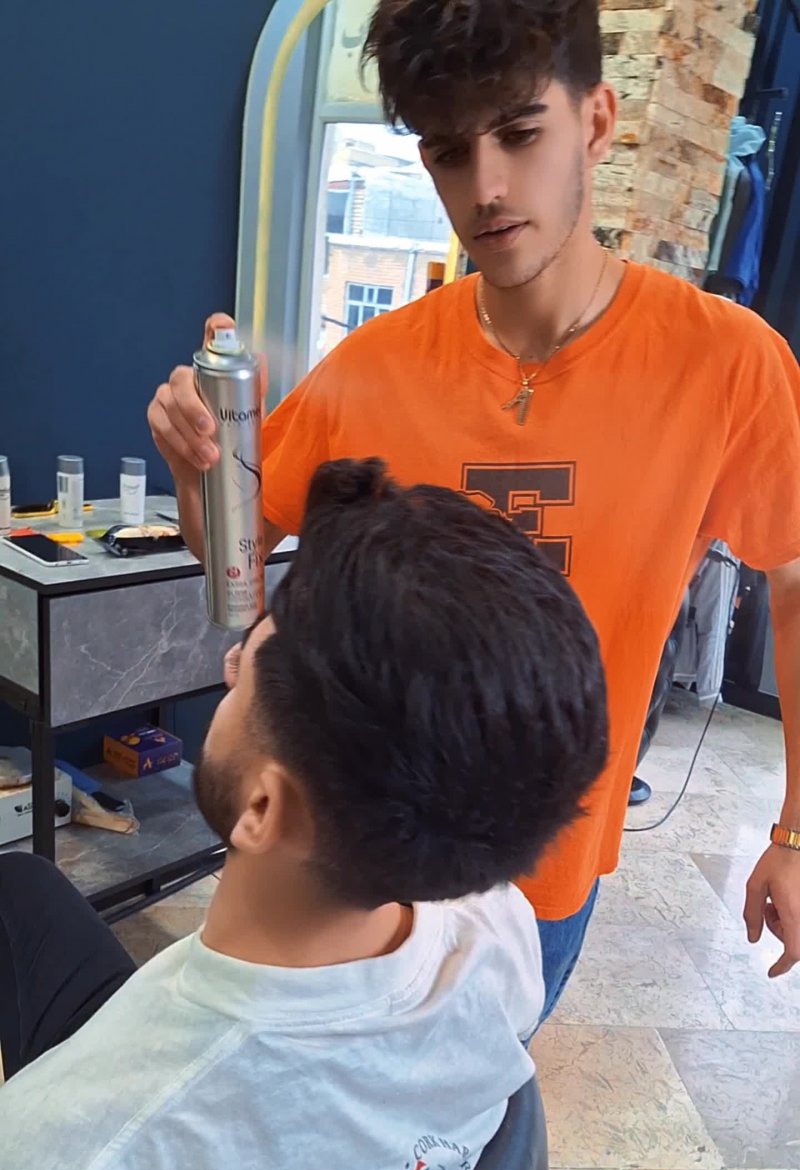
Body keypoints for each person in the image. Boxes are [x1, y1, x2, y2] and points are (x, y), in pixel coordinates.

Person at [149, 0, 800, 1015]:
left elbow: (793, 587)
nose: (486, 186)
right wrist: (200, 475)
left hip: (542, 870)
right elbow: (229, 560)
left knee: (478, 1095)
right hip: (356, 865)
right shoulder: (372, 365)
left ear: (595, 120)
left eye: (519, 133)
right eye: (449, 151)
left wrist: (792, 831)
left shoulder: (727, 365)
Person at [0, 460, 607, 1170]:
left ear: (261, 808)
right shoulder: (500, 932)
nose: (230, 662)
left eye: (252, 662)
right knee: (24, 893)